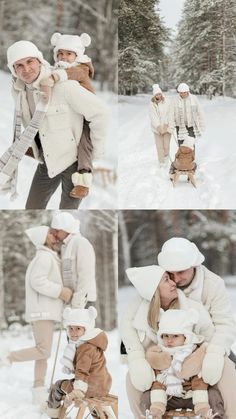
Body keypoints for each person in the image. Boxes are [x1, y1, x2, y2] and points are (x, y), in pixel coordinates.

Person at [5, 40, 109, 209]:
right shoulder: (19, 92)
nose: (26, 69)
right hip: (47, 162)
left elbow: (101, 113)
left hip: (74, 164)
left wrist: (94, 152)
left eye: (29, 61)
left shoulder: (64, 85)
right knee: (32, 209)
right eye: (19, 65)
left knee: (68, 212)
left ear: (39, 60)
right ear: (14, 70)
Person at [120, 265, 218, 418]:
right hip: (160, 377)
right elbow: (130, 344)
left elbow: (211, 338)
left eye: (170, 278)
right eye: (167, 280)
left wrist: (197, 359)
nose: (174, 283)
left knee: (219, 387)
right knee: (135, 382)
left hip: (193, 378)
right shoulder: (138, 315)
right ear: (153, 289)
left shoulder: (192, 308)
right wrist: (141, 360)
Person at [157, 237, 236, 419]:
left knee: (230, 376)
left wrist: (215, 353)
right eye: (171, 273)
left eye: (181, 272)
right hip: (173, 349)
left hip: (210, 345)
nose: (175, 279)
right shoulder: (161, 283)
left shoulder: (213, 284)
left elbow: (225, 324)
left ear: (194, 264)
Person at [0, 226, 72, 405]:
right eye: (50, 233)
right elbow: (37, 281)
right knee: (43, 350)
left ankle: (39, 389)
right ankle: (7, 357)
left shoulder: (47, 255)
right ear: (42, 237)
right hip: (42, 312)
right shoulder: (43, 257)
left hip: (44, 311)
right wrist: (60, 291)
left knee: (42, 353)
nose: (54, 236)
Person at [40, 32, 96, 199]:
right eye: (60, 53)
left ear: (77, 55)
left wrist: (55, 76)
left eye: (69, 54)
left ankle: (83, 178)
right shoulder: (54, 69)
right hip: (65, 112)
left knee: (84, 143)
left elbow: (75, 75)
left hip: (84, 113)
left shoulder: (82, 67)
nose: (63, 57)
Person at [141, 309, 223, 419]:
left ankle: (213, 415)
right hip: (169, 397)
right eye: (166, 335)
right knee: (146, 396)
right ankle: (152, 415)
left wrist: (201, 405)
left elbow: (199, 380)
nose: (169, 340)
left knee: (213, 394)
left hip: (193, 395)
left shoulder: (193, 353)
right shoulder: (160, 355)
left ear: (185, 337)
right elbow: (158, 382)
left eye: (175, 336)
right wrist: (157, 406)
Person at [42, 306, 112, 418]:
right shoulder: (91, 343)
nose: (73, 332)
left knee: (58, 385)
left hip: (89, 387)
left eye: (78, 328)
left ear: (86, 329)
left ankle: (53, 412)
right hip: (103, 384)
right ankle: (100, 415)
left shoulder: (84, 348)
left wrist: (77, 390)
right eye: (71, 328)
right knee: (70, 384)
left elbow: (82, 370)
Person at [51, 211, 96, 308]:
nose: (55, 234)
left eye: (57, 230)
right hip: (72, 301)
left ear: (65, 229)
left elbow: (86, 276)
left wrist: (78, 302)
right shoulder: (65, 247)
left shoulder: (81, 243)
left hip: (83, 301)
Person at [149, 84, 172, 168]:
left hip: (167, 128)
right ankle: (161, 163)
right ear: (154, 95)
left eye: (159, 94)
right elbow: (153, 116)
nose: (158, 96)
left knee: (166, 146)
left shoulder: (167, 102)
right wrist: (158, 127)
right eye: (156, 94)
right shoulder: (152, 104)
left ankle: (166, 158)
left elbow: (170, 114)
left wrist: (165, 125)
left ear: (161, 94)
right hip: (156, 129)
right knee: (159, 147)